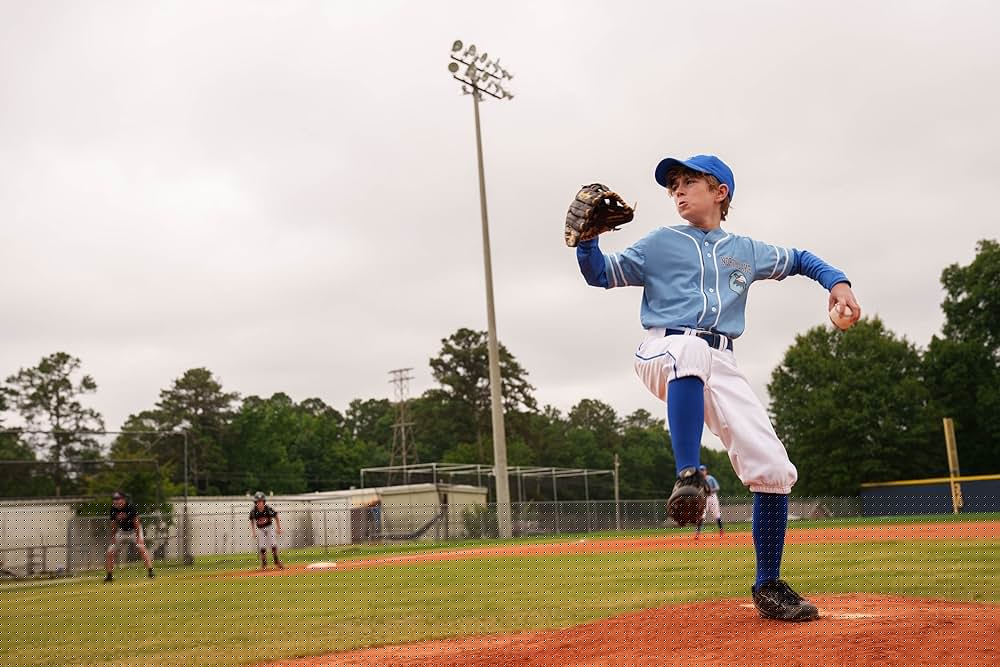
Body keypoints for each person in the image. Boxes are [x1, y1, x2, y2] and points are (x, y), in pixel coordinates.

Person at [574, 154, 861, 621]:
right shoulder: (660, 242)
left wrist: (838, 283)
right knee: (689, 350)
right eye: (673, 185)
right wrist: (587, 241)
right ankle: (689, 476)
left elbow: (801, 259)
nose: (678, 190)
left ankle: (769, 585)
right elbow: (600, 274)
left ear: (720, 192)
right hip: (663, 348)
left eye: (689, 181)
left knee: (774, 468)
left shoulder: (745, 250)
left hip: (722, 360)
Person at [105, 491, 154, 581]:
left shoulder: (130, 507)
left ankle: (150, 572)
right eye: (114, 499)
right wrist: (113, 537)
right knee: (110, 551)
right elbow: (113, 524)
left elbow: (136, 523)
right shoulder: (113, 509)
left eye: (118, 499)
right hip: (122, 532)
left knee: (141, 548)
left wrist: (138, 538)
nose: (116, 501)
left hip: (134, 531)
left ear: (123, 499)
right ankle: (109, 576)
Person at [249, 492, 284, 569]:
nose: (260, 503)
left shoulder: (267, 509)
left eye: (261, 501)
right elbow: (252, 520)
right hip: (260, 529)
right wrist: (253, 531)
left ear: (264, 502)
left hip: (269, 527)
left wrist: (279, 527)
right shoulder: (254, 511)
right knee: (262, 547)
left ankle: (277, 561)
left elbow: (276, 516)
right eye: (258, 502)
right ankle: (264, 563)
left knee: (273, 544)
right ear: (255, 503)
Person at [695, 464, 723, 538]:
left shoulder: (710, 478)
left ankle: (721, 530)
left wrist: (710, 490)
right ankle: (698, 533)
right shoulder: (698, 480)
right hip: (703, 498)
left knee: (716, 514)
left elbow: (717, 487)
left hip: (712, 497)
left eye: (703, 470)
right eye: (701, 470)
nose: (702, 472)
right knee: (701, 515)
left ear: (706, 471)